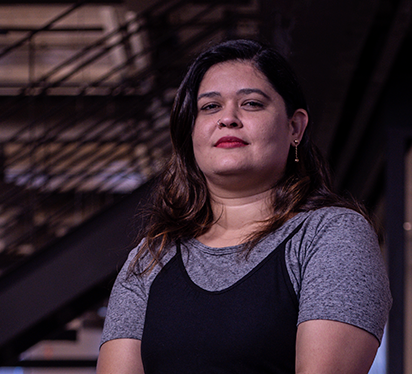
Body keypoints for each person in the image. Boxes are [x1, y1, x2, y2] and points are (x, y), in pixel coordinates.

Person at [96, 39, 391, 374]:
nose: (228, 119)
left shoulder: (330, 235)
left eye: (251, 104)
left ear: (294, 127)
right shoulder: (151, 256)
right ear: (190, 131)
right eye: (209, 107)